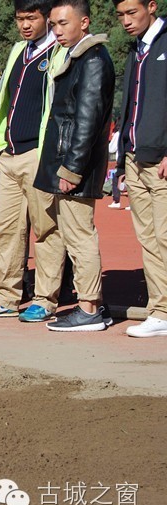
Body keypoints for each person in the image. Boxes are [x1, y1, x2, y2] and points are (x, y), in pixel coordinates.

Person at [0, 0, 68, 321]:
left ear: (47, 18)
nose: (25, 25)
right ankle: (6, 297)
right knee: (5, 229)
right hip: (10, 154)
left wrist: (53, 152)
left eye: (31, 18)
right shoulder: (17, 51)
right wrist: (0, 147)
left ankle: (45, 298)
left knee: (46, 228)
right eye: (19, 19)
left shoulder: (59, 51)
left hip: (39, 153)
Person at [33, 0, 115, 332]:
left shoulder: (92, 60)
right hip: (66, 162)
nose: (56, 30)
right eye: (53, 24)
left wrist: (72, 168)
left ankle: (90, 308)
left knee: (80, 236)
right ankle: (90, 306)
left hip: (75, 166)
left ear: (84, 22)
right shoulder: (77, 57)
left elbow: (87, 121)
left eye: (63, 23)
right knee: (71, 234)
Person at [113, 0, 167, 337]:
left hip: (161, 160)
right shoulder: (136, 49)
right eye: (120, 15)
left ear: (152, 6)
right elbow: (128, 107)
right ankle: (161, 310)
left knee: (165, 236)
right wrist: (121, 161)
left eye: (132, 12)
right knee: (148, 239)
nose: (126, 21)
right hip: (134, 158)